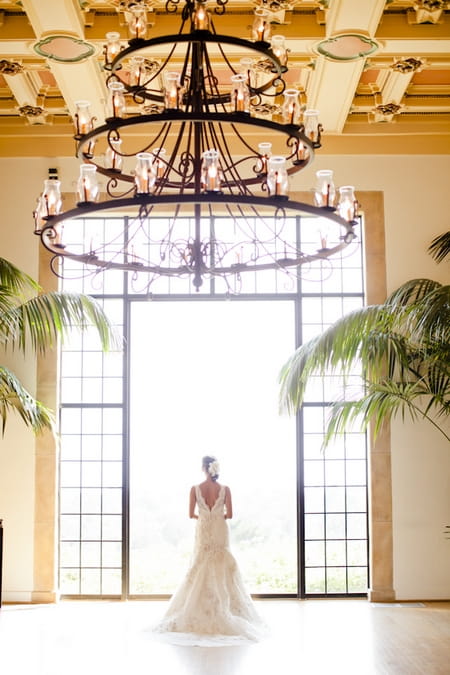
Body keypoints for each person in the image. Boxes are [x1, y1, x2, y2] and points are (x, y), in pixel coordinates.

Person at [152, 455, 267, 645]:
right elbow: (229, 514)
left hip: (204, 528)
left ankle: (197, 606)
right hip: (220, 529)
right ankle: (226, 608)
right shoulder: (225, 489)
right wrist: (217, 515)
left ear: (203, 469)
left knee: (201, 562)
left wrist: (205, 517)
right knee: (222, 561)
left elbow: (191, 514)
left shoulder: (195, 489)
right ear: (215, 469)